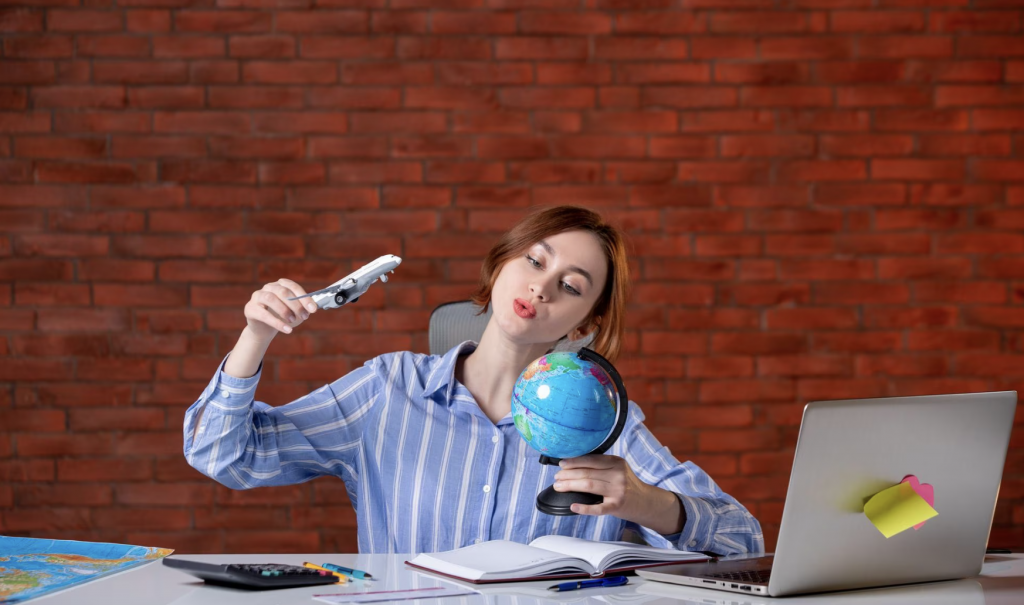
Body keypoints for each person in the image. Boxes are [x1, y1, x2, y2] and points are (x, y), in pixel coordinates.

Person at [184, 205, 763, 555]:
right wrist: (255, 334)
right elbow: (220, 454)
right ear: (501, 265)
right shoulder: (388, 391)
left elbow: (745, 541)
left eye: (572, 284)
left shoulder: (603, 422)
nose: (542, 287)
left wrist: (647, 503)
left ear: (585, 324)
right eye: (535, 261)